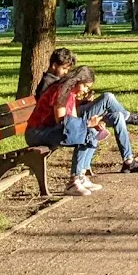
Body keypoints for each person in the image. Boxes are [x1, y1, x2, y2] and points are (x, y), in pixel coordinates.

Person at [37, 48, 138, 173]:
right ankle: (128, 117)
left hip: (72, 115)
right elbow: (55, 109)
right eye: (64, 69)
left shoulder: (57, 82)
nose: (66, 73)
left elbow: (66, 104)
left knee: (117, 116)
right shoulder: (49, 83)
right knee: (108, 97)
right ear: (54, 66)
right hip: (63, 122)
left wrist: (83, 101)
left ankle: (129, 161)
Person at [26, 65, 107, 196]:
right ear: (78, 80)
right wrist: (86, 123)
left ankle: (80, 176)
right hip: (37, 132)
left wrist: (90, 125)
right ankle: (72, 183)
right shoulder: (60, 91)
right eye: (85, 86)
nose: (86, 90)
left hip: (50, 130)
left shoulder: (71, 92)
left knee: (90, 132)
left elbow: (73, 120)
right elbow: (62, 121)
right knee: (85, 132)